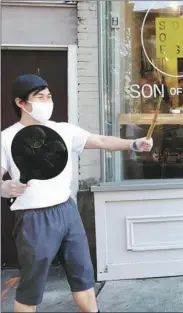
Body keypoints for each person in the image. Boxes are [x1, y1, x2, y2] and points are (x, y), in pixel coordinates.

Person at [1, 74, 153, 312]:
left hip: (67, 211)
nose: (46, 101)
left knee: (83, 275)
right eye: (39, 97)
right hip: (33, 217)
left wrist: (133, 144)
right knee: (31, 286)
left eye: (48, 96)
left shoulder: (62, 130)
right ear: (21, 103)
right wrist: (3, 187)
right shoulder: (6, 138)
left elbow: (101, 140)